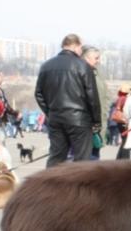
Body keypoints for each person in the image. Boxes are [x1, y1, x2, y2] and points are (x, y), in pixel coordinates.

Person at [35, 34, 100, 168]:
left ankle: (51, 187)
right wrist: (96, 121)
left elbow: (39, 94)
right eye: (81, 47)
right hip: (79, 119)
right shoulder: (83, 65)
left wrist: (50, 112)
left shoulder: (46, 66)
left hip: (56, 118)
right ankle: (79, 188)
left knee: (56, 158)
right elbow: (92, 96)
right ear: (76, 46)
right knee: (82, 161)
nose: (81, 51)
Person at [81, 46, 108, 160]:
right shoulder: (81, 73)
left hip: (98, 123)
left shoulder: (97, 73)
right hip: (87, 124)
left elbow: (104, 98)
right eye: (96, 58)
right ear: (85, 58)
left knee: (94, 155)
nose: (98, 61)